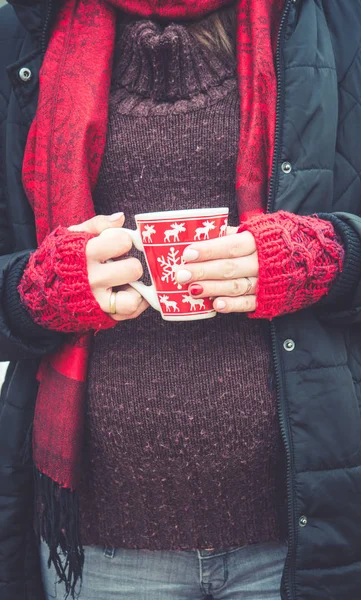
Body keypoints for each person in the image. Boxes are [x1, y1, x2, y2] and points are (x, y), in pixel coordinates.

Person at [1, 0, 361, 599]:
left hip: (296, 528)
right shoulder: (26, 34)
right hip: (101, 544)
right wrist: (43, 290)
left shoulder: (333, 22)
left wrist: (321, 259)